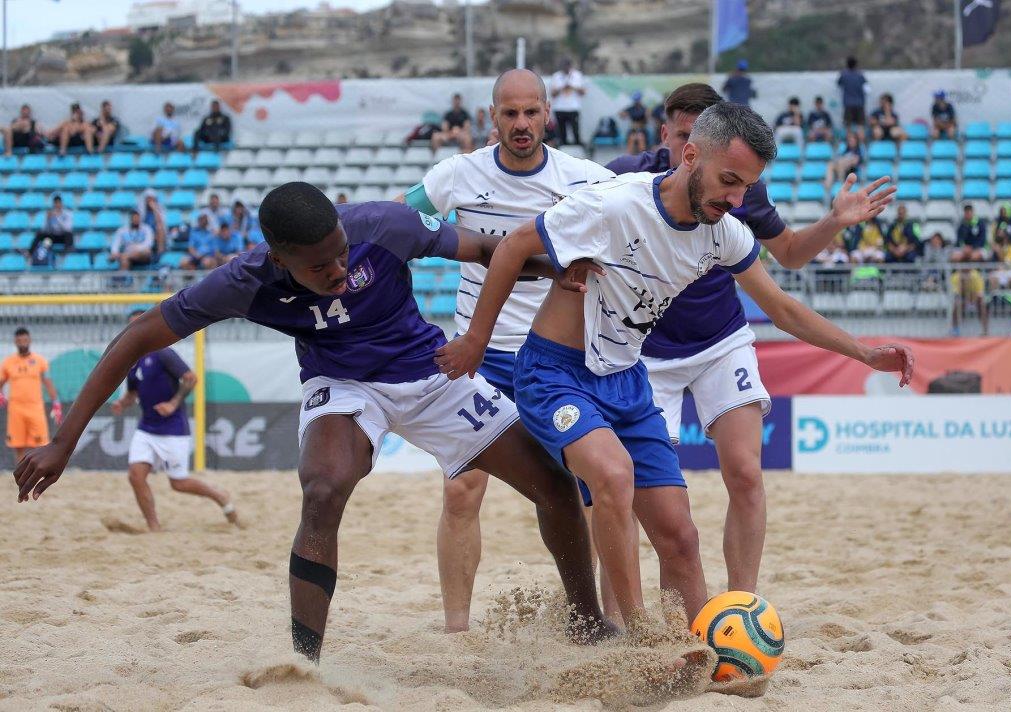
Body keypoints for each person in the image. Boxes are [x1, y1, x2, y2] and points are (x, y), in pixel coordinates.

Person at [13, 182, 611, 666]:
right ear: (279, 259)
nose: (338, 269)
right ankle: (305, 664)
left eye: (342, 253)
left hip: (430, 374)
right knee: (322, 490)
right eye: (320, 265)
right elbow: (139, 334)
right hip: (342, 386)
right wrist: (65, 441)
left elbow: (486, 249)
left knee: (554, 482)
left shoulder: (384, 225)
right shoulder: (243, 281)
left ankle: (587, 625)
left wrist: (556, 267)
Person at [436, 102, 914, 627]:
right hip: (554, 374)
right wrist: (477, 339)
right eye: (728, 182)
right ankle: (635, 638)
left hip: (626, 378)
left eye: (744, 189)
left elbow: (782, 309)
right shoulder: (613, 203)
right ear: (689, 155)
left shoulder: (724, 230)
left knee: (681, 537)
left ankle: (710, 647)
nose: (735, 200)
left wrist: (867, 354)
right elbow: (511, 249)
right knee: (613, 478)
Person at [602, 83, 895, 611]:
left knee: (745, 471)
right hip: (642, 354)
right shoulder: (625, 179)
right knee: (634, 495)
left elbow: (788, 266)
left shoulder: (736, 192)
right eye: (683, 136)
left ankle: (740, 611)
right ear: (669, 134)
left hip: (719, 340)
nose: (691, 149)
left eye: (702, 135)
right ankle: (630, 619)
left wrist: (832, 223)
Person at [398, 68, 615, 633]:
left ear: (548, 114)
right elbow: (396, 224)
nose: (521, 124)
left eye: (530, 112)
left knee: (584, 491)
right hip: (481, 353)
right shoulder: (457, 174)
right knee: (462, 489)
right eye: (509, 113)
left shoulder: (585, 179)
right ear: (491, 117)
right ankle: (456, 630)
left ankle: (588, 617)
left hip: (556, 357)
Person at [110, 310, 238, 532]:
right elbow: (132, 394)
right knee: (135, 476)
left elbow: (191, 378)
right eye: (131, 327)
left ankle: (219, 495)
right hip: (146, 429)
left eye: (139, 325)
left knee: (178, 483)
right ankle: (154, 527)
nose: (135, 331)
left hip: (173, 430)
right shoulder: (133, 362)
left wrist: (173, 403)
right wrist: (123, 402)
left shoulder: (163, 354)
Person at [1, 328, 61, 463]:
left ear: (29, 340)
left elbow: (48, 383)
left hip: (35, 409)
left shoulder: (40, 361)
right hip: (16, 410)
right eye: (19, 341)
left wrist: (56, 403)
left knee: (41, 446)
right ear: (15, 342)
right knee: (18, 447)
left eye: (25, 340)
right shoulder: (8, 363)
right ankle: (22, 479)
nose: (22, 343)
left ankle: (38, 477)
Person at [550, 58, 585, 145]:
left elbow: (583, 92)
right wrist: (562, 87)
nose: (566, 68)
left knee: (575, 131)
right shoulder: (556, 76)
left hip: (573, 108)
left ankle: (577, 147)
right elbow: (553, 94)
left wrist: (572, 86)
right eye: (564, 66)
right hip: (560, 108)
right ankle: (563, 147)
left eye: (567, 66)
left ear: (570, 66)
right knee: (561, 133)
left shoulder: (577, 75)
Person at [837, 56, 868, 140]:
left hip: (848, 104)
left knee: (848, 127)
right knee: (860, 127)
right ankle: (861, 147)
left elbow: (839, 83)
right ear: (856, 65)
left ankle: (850, 146)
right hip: (859, 104)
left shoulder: (844, 75)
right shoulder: (860, 75)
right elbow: (866, 87)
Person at [951, 265, 988, 337]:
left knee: (982, 305)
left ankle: (985, 330)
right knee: (956, 305)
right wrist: (962, 282)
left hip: (975, 296)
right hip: (963, 296)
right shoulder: (956, 276)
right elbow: (957, 294)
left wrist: (972, 299)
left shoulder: (976, 275)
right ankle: (955, 329)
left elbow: (980, 293)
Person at [138, 189, 167, 254]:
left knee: (160, 229)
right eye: (149, 199)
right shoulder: (140, 211)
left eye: (153, 199)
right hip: (143, 234)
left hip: (155, 234)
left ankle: (160, 253)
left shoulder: (159, 211)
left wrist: (155, 210)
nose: (151, 201)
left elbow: (161, 224)